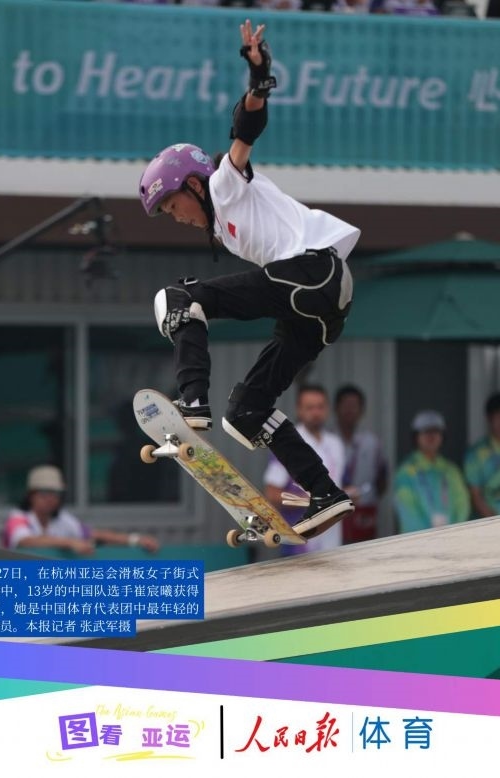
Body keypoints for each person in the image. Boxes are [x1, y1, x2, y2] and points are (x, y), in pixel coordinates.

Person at [138, 20, 359, 540]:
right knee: (246, 411)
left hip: (314, 274)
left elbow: (245, 131)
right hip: (320, 308)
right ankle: (324, 492)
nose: (178, 217)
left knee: (177, 297)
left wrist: (259, 77)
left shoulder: (224, 183)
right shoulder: (226, 228)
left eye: (174, 205)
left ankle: (193, 401)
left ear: (194, 186)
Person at [2, 466, 160, 555]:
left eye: (55, 493)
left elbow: (94, 535)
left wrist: (135, 540)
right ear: (31, 495)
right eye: (44, 493)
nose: (51, 499)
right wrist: (70, 542)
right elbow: (25, 541)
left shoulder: (61, 518)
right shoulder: (18, 518)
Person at [263, 384, 346, 554]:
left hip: (332, 540)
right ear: (299, 410)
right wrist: (310, 500)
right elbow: (272, 493)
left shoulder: (336, 444)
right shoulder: (288, 443)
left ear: (328, 409)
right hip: (300, 541)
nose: (315, 412)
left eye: (320, 407)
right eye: (309, 407)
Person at [394, 411, 470, 534]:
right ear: (416, 437)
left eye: (436, 431)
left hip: (452, 538)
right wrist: (430, 537)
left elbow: (462, 505)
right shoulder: (405, 472)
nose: (431, 436)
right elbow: (408, 513)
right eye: (425, 431)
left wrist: (454, 533)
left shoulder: (451, 470)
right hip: (418, 540)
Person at [334, 384, 388, 543]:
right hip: (333, 513)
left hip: (363, 513)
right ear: (336, 408)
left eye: (354, 406)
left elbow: (382, 478)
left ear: (362, 410)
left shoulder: (372, 442)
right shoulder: (327, 440)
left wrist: (367, 496)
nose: (349, 410)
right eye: (345, 405)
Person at [464, 392, 500, 518]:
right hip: (490, 524)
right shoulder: (475, 455)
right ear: (489, 418)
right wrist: (497, 525)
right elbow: (475, 496)